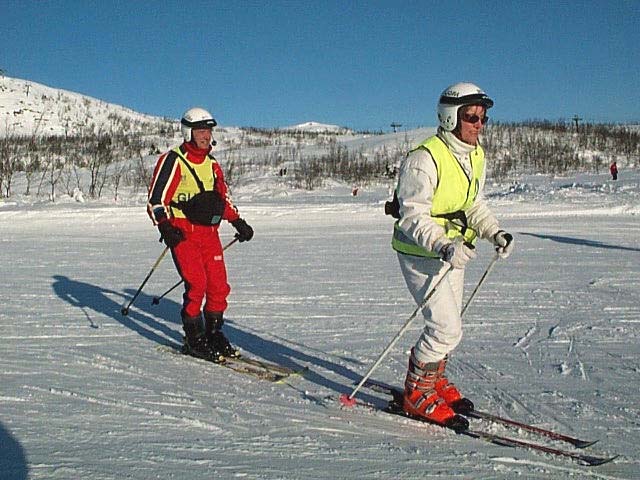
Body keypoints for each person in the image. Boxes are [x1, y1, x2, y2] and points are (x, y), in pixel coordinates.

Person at [390, 82, 513, 430]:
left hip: (454, 251)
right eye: (471, 117)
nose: (478, 124)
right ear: (449, 118)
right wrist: (443, 245)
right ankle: (418, 392)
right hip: (421, 253)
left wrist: (494, 232)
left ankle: (433, 378)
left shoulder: (475, 155)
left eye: (483, 118)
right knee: (445, 328)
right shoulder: (424, 158)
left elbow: (472, 203)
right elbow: (412, 215)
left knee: (448, 325)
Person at [147, 107, 254, 362]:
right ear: (188, 132)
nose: (205, 136)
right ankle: (194, 338)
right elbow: (156, 200)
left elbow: (222, 198)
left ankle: (214, 333)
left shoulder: (212, 164)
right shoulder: (173, 160)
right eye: (200, 131)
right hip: (183, 232)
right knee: (197, 284)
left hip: (210, 233)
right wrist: (165, 226)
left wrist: (237, 221)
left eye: (208, 131)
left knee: (218, 285)